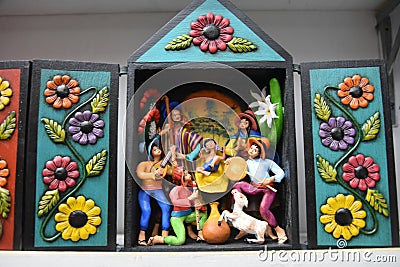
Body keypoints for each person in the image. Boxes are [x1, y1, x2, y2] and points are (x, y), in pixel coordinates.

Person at [226, 138, 287, 244]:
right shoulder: (246, 163)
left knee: (263, 209)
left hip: (268, 188)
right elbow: (236, 166)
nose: (251, 151)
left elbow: (281, 173)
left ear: (260, 153)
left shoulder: (267, 162)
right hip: (254, 187)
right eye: (251, 148)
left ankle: (278, 230)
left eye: (255, 150)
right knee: (237, 186)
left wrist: (270, 179)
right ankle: (239, 214)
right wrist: (230, 162)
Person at [148, 168, 207, 246]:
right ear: (181, 177)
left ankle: (200, 233)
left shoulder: (188, 190)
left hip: (187, 216)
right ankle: (160, 239)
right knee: (180, 240)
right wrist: (190, 198)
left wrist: (198, 204)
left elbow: (193, 202)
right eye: (186, 174)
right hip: (177, 218)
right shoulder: (175, 190)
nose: (189, 175)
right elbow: (176, 202)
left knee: (203, 214)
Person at [136, 136, 174, 246]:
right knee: (146, 210)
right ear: (150, 151)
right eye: (154, 149)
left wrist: (173, 156)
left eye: (159, 148)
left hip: (158, 190)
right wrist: (152, 175)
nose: (157, 150)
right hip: (145, 190)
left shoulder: (164, 164)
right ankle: (142, 234)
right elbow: (140, 174)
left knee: (166, 207)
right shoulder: (144, 164)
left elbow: (173, 172)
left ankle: (164, 235)